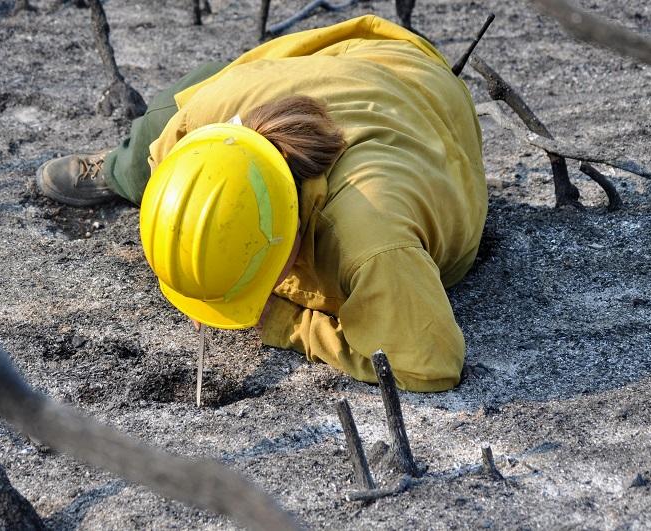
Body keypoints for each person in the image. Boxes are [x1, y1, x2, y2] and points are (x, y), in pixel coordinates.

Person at [36, 15, 487, 392]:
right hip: (342, 61)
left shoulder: (372, 244)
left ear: (287, 245)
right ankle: (120, 167)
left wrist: (285, 323)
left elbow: (428, 365)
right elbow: (175, 168)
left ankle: (122, 170)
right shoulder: (195, 126)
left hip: (417, 82)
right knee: (155, 127)